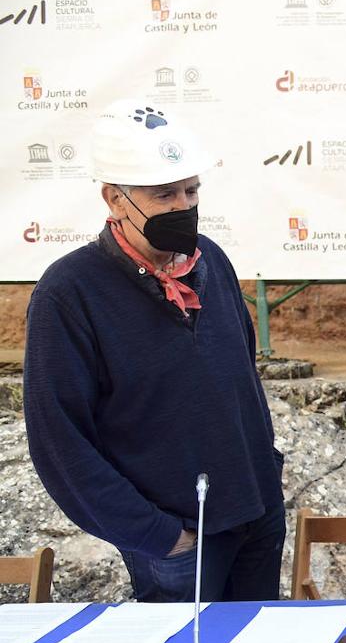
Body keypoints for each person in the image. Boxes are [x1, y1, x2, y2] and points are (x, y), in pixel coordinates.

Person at [23, 99, 286, 602]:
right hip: (177, 545)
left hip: (256, 516)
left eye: (191, 190)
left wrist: (265, 477)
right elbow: (60, 442)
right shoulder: (69, 292)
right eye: (164, 194)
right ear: (115, 199)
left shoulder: (213, 261)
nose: (182, 206)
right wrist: (160, 537)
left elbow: (241, 380)